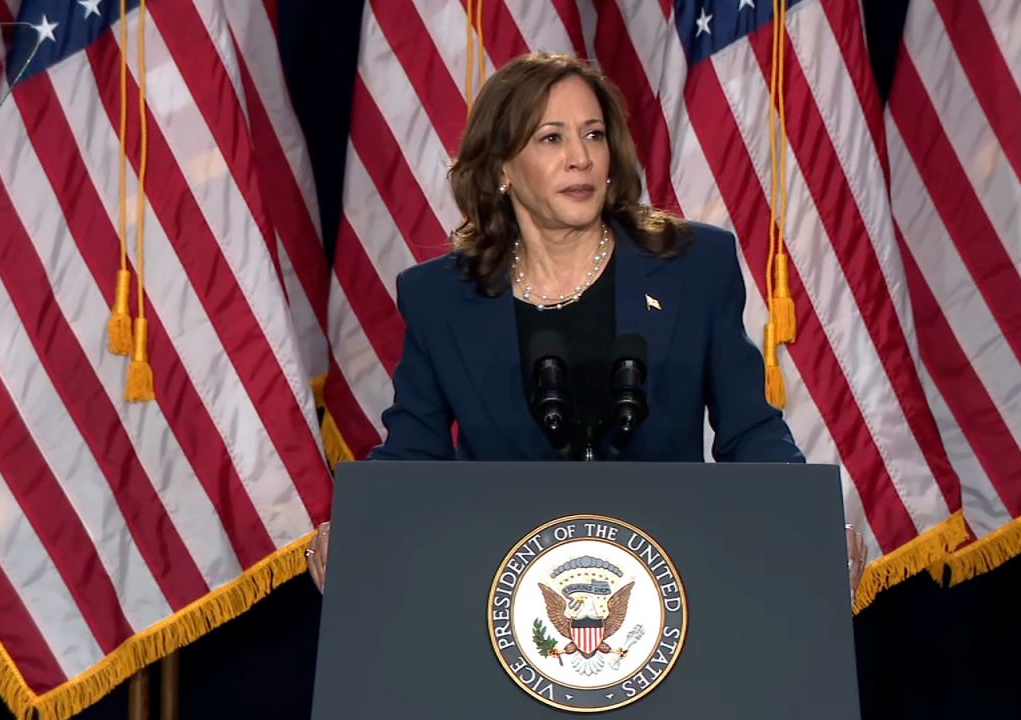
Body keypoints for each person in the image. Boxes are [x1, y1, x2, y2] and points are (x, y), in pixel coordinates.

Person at [306, 52, 866, 594]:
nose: (581, 158)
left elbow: (751, 432)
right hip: (502, 592)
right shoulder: (442, 298)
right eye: (552, 138)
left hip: (677, 584)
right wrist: (358, 527)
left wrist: (806, 523)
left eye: (593, 135)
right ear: (502, 167)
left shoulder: (691, 268)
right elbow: (413, 456)